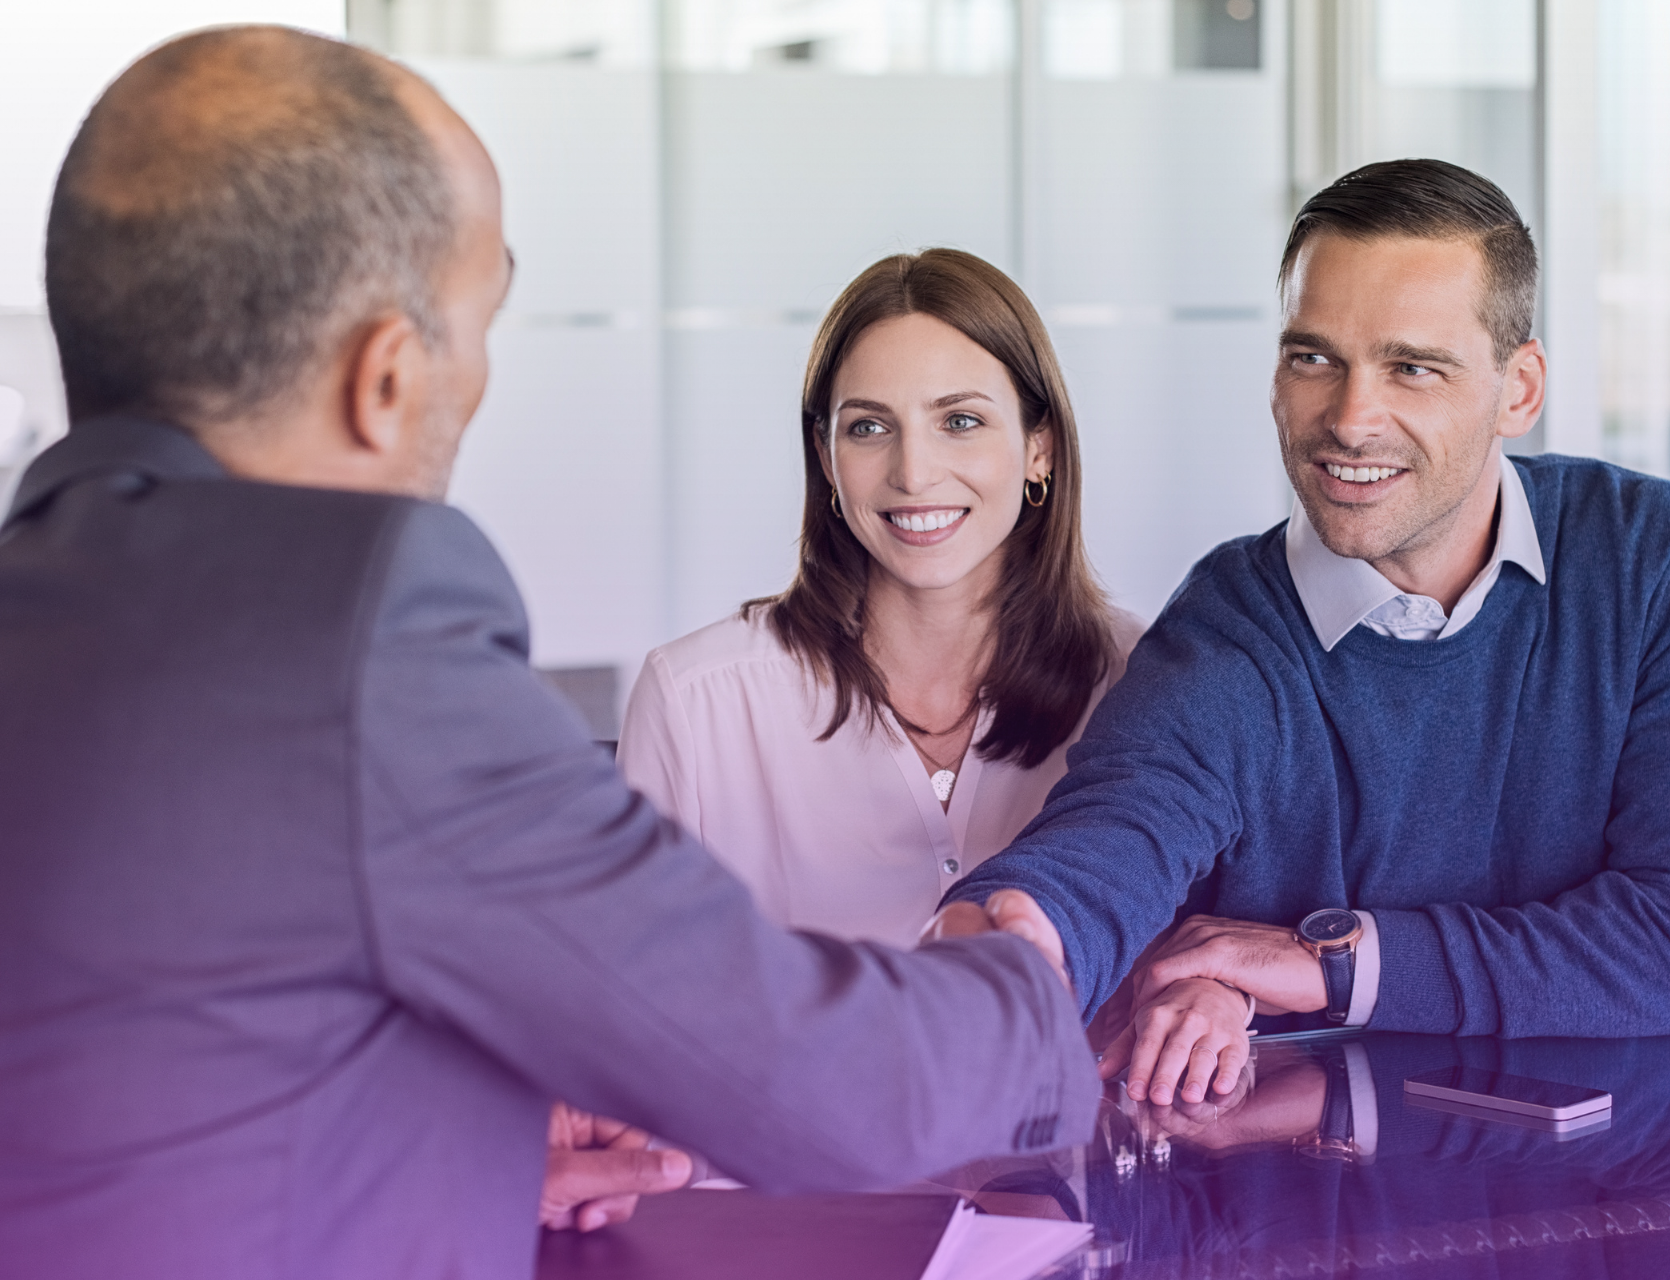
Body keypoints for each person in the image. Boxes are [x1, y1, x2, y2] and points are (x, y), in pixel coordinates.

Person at [0, 27, 1096, 1280]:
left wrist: (473, 1137)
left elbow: (173, 1069)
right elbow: (809, 1074)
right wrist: (1031, 984)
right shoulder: (355, 629)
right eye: (481, 322)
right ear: (388, 376)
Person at [934, 159, 1670, 1113]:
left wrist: (1328, 964)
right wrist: (1027, 933)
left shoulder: (1647, 559)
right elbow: (1117, 835)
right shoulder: (1230, 632)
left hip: (1610, 1205)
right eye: (1314, 359)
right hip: (1328, 1209)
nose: (1349, 418)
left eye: (1412, 368)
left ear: (1519, 388)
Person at [619, 249, 1142, 948]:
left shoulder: (1141, 680)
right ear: (828, 459)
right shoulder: (695, 702)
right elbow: (639, 1007)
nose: (914, 473)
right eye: (868, 427)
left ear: (1038, 447)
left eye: (959, 421)